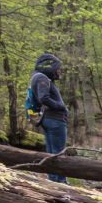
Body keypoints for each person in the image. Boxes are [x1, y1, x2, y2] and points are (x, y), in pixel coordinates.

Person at [29, 53, 69, 183]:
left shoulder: (38, 77)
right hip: (55, 120)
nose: (59, 71)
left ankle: (53, 181)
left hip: (50, 119)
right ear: (50, 68)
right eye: (57, 68)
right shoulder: (42, 78)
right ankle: (61, 182)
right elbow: (44, 98)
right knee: (58, 153)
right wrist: (61, 106)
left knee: (51, 153)